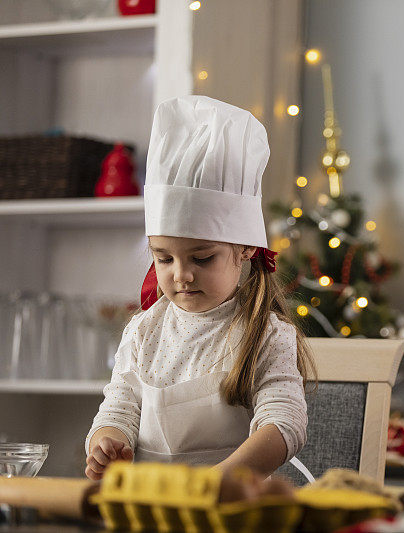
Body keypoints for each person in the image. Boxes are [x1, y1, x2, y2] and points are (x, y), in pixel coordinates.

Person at [85, 96, 315, 481]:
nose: (182, 275)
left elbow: (284, 424)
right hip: (152, 505)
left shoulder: (267, 335)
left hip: (231, 508)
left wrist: (217, 481)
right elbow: (119, 407)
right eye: (164, 258)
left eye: (202, 258)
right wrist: (106, 442)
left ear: (244, 249)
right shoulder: (143, 331)